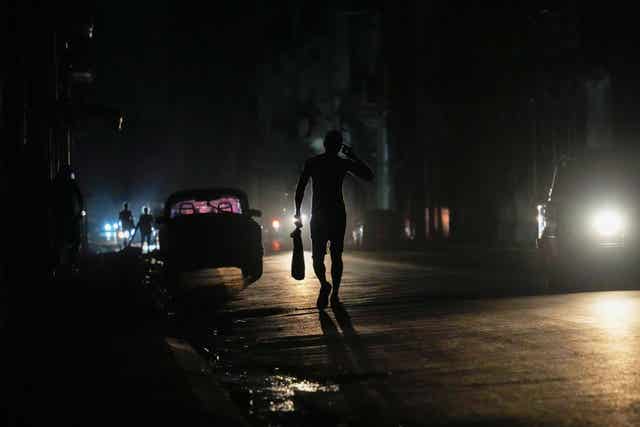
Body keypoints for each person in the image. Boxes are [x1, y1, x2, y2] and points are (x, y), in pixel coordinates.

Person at [295, 130, 374, 309]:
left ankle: (326, 285)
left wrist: (298, 212)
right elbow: (369, 176)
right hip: (337, 215)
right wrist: (354, 157)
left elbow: (300, 189)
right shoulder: (341, 163)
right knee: (336, 256)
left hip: (320, 215)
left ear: (325, 144)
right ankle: (334, 293)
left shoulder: (314, 163)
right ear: (339, 146)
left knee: (318, 257)